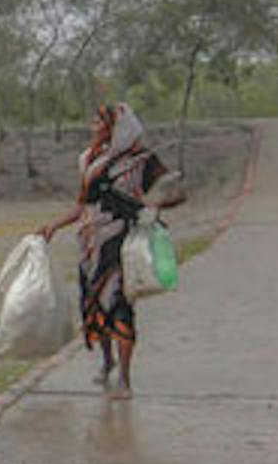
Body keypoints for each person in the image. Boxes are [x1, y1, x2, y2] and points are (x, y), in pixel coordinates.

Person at [36, 101, 186, 399]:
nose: (94, 128)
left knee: (119, 303)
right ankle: (107, 362)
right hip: (90, 244)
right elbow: (82, 205)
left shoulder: (141, 161)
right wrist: (54, 225)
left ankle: (125, 381)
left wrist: (151, 205)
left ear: (115, 128)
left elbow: (178, 192)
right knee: (93, 303)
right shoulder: (89, 161)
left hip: (122, 242)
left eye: (99, 122)